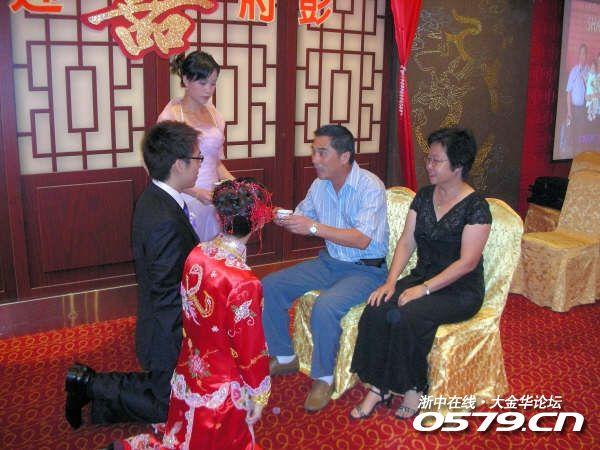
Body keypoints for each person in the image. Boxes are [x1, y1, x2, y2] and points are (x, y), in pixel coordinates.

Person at [111, 178, 272, 450]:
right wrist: (259, 392)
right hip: (223, 385)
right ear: (257, 223)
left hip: (190, 367)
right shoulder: (244, 282)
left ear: (222, 216)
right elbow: (249, 347)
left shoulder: (198, 252)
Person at [64, 121, 202, 428]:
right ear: (178, 165)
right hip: (163, 330)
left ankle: (99, 401)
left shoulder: (156, 198)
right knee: (171, 407)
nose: (200, 165)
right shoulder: (165, 218)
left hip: (157, 317)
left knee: (183, 394)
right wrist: (182, 344)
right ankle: (89, 383)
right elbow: (167, 293)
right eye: (197, 158)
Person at [349, 127, 492, 420]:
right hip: (422, 275)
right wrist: (391, 282)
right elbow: (406, 241)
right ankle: (379, 386)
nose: (429, 165)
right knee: (377, 307)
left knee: (408, 315)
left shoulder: (477, 207)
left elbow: (467, 263)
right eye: (429, 159)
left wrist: (423, 290)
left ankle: (414, 386)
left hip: (460, 289)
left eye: (436, 161)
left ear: (458, 166)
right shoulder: (425, 196)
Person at [263, 124, 389, 412]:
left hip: (366, 270)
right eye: (314, 152)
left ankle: (323, 378)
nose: (315, 159)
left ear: (344, 156)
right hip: (330, 262)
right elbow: (304, 217)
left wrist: (313, 227)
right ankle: (284, 357)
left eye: (322, 153)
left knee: (326, 306)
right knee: (270, 285)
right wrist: (282, 217)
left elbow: (362, 239)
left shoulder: (370, 186)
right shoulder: (319, 185)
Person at [158, 50, 235, 241]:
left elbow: (216, 163)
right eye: (202, 83)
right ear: (185, 79)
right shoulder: (171, 117)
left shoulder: (215, 115)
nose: (208, 90)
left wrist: (237, 185)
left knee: (213, 252)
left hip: (213, 198)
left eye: (213, 84)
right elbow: (161, 170)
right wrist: (196, 192)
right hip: (184, 197)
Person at [566, 44, 589, 153]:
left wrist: (585, 79)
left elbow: (591, 90)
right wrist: (569, 112)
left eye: (584, 54)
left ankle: (579, 155)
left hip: (584, 109)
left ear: (586, 56)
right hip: (574, 109)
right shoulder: (573, 71)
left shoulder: (589, 71)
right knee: (574, 134)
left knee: (581, 134)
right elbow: (568, 92)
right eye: (581, 53)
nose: (582, 56)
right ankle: (573, 156)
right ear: (578, 55)